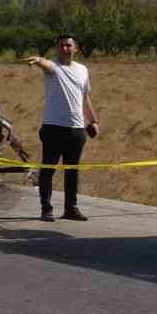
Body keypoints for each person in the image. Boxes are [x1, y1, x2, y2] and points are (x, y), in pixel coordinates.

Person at [25, 35, 99, 221]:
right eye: (61, 46)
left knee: (72, 170)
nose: (65, 48)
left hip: (76, 128)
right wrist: (38, 60)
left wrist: (93, 121)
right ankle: (46, 208)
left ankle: (71, 208)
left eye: (69, 45)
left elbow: (85, 97)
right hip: (53, 128)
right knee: (48, 169)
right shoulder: (53, 67)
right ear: (57, 49)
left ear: (76, 49)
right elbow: (45, 64)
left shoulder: (82, 70)